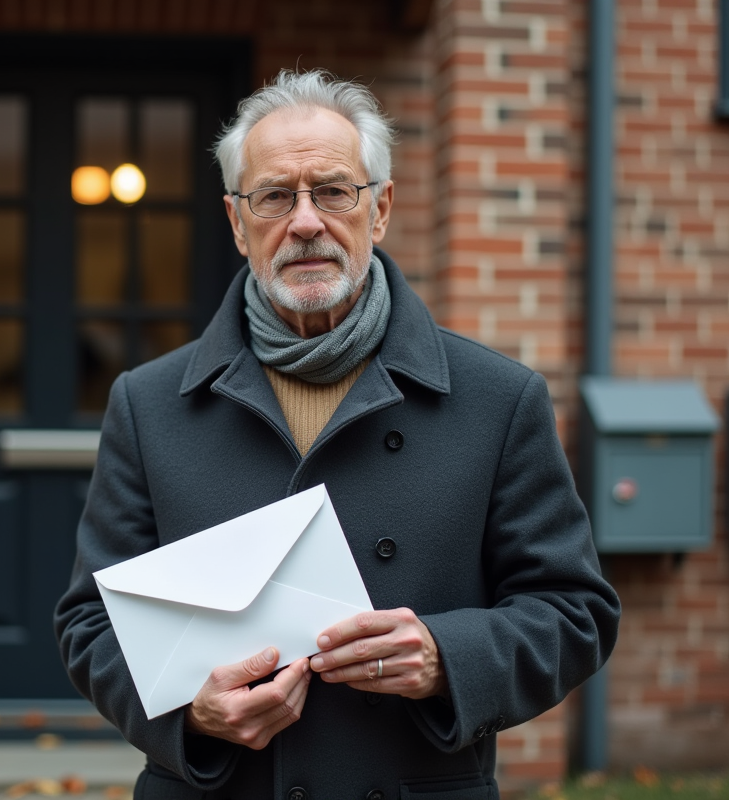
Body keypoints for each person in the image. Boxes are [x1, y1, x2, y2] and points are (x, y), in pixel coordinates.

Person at [55, 70, 620, 800]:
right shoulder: (148, 403)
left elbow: (575, 613)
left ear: (378, 208)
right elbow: (89, 623)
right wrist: (189, 715)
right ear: (237, 223)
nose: (306, 222)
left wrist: (448, 657)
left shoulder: (499, 399)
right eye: (274, 196)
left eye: (332, 190)